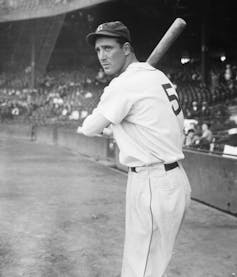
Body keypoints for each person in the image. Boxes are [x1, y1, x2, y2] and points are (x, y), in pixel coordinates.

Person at [77, 21, 191, 277]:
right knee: (152, 266)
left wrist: (109, 99)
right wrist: (120, 126)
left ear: (126, 48)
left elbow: (89, 127)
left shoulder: (124, 85)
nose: (102, 56)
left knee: (139, 269)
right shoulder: (158, 77)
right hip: (173, 180)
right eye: (98, 51)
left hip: (153, 183)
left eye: (108, 48)